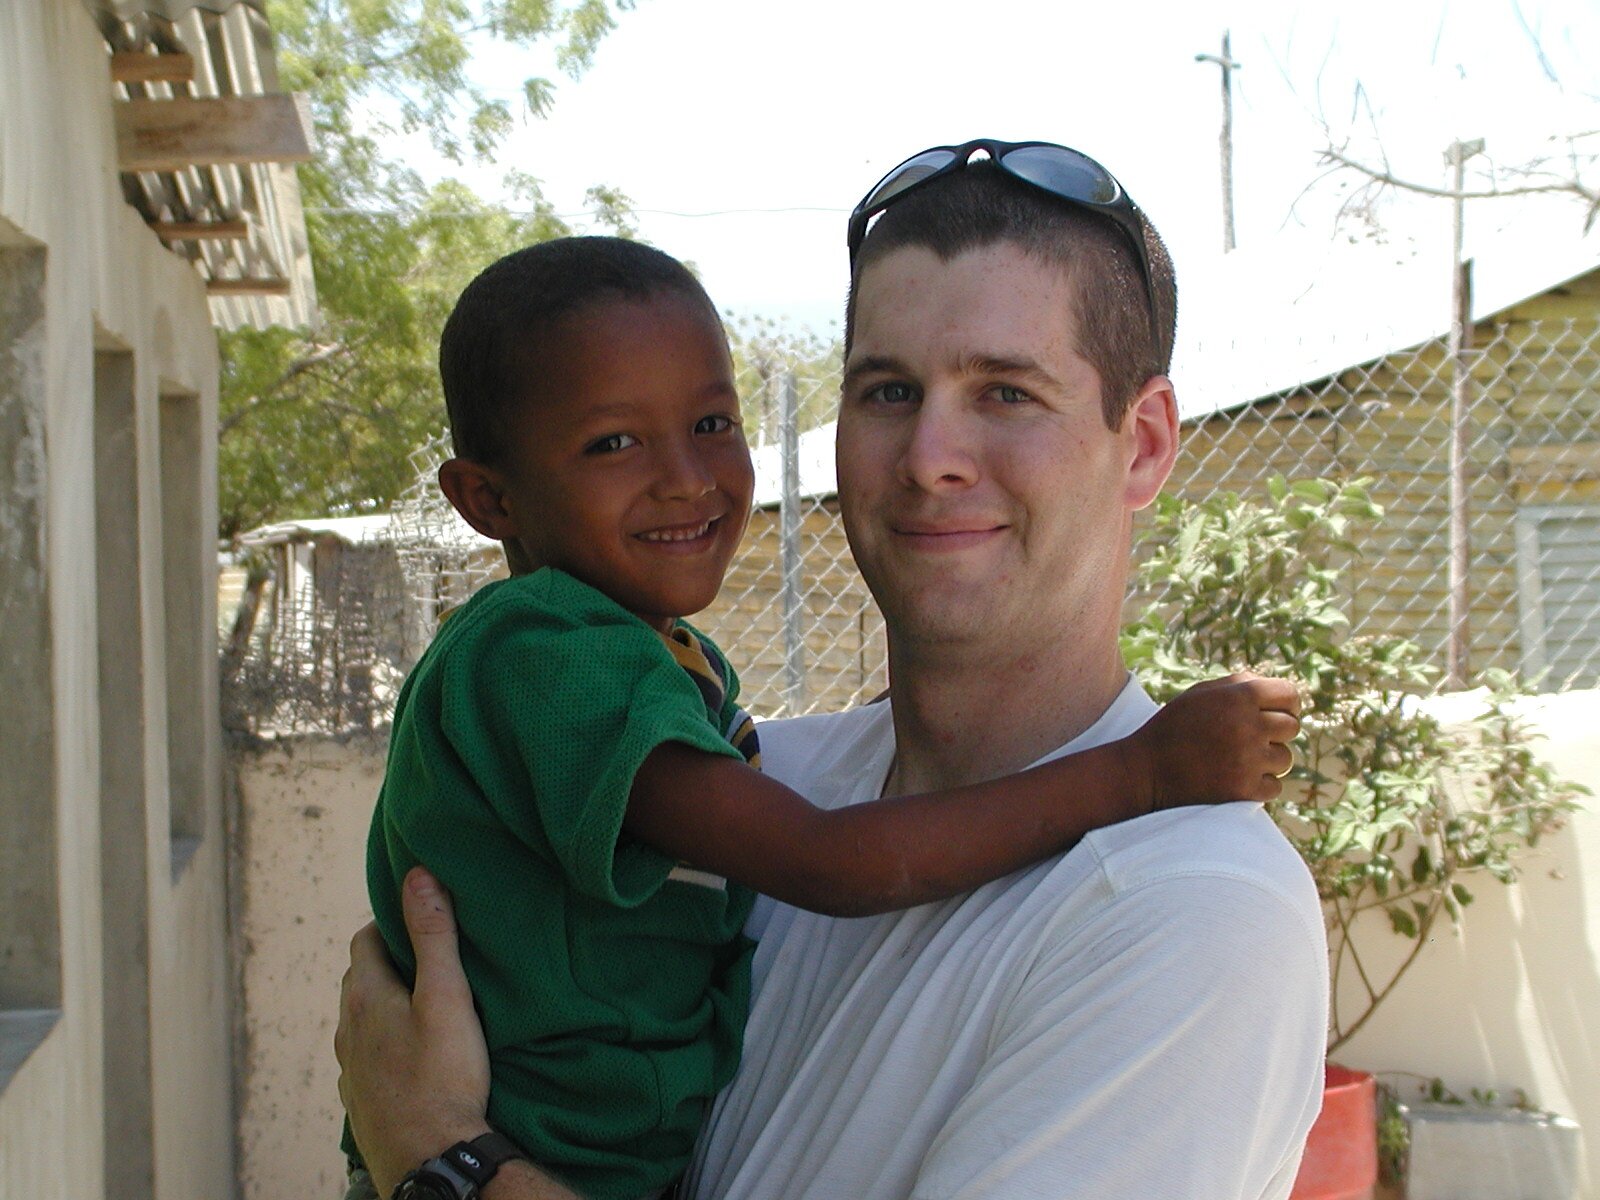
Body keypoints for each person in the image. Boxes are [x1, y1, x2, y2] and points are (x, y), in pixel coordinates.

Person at [337, 140, 1330, 1200]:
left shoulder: (1186, 905)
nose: (930, 457)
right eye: (889, 391)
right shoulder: (770, 788)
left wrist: (440, 1157)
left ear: (1144, 444)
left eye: (1006, 393)